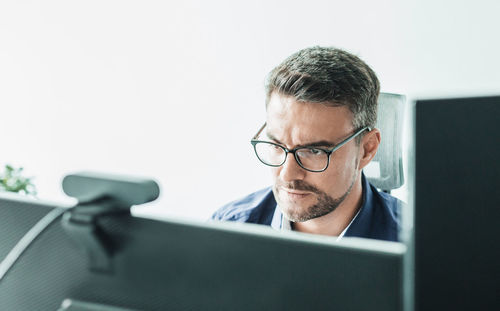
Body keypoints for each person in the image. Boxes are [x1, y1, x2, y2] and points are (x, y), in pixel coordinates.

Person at [212, 46, 401, 242]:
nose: (287, 174)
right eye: (277, 145)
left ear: (366, 150)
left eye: (313, 151)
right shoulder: (227, 231)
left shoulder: (422, 247)